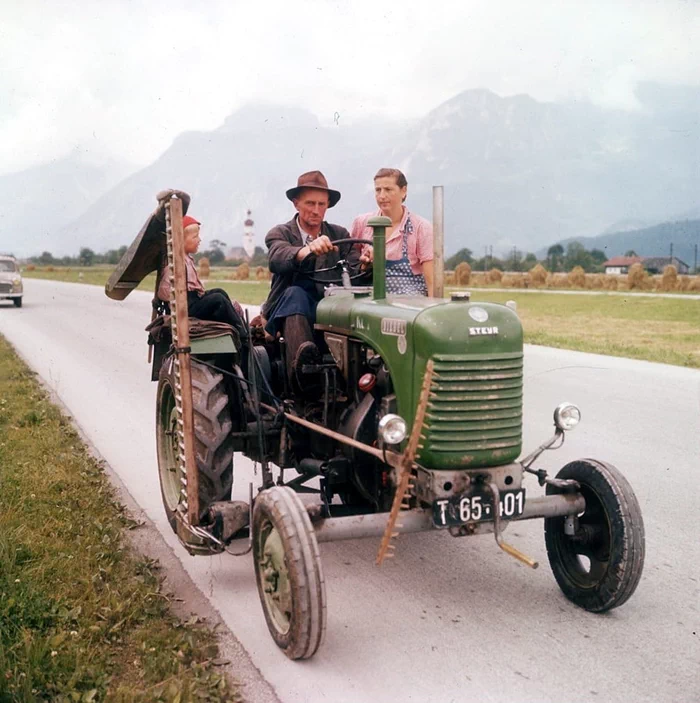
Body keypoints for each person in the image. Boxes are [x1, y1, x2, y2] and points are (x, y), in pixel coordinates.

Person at [263, 170, 371, 393]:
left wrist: (365, 265)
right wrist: (306, 251)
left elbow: (353, 270)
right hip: (289, 310)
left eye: (322, 204)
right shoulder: (280, 233)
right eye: (310, 203)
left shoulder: (339, 234)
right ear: (296, 204)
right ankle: (304, 375)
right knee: (295, 294)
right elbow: (278, 257)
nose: (316, 210)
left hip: (329, 309)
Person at [157, 214, 247, 341]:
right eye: (195, 237)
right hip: (186, 307)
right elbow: (163, 291)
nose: (199, 240)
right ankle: (242, 335)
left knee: (219, 292)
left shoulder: (187, 259)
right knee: (218, 299)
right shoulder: (176, 264)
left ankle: (234, 325)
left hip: (192, 301)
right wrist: (176, 294)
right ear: (181, 240)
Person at [350, 167, 434, 296]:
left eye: (388, 190)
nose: (382, 196)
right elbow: (351, 261)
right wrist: (364, 262)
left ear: (403, 191)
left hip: (410, 302)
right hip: (370, 299)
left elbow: (431, 281)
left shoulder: (421, 227)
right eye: (378, 190)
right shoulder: (362, 223)